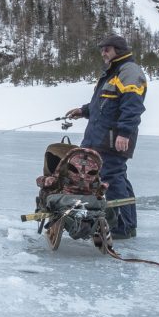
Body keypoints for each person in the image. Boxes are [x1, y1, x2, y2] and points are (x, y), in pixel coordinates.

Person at [65, 35, 147, 239]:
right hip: (99, 136)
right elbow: (104, 104)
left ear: (118, 50)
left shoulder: (129, 71)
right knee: (117, 177)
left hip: (111, 139)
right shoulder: (112, 73)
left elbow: (132, 106)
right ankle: (127, 224)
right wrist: (83, 111)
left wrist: (124, 133)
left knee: (112, 178)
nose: (103, 53)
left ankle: (122, 227)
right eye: (102, 50)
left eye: (107, 49)